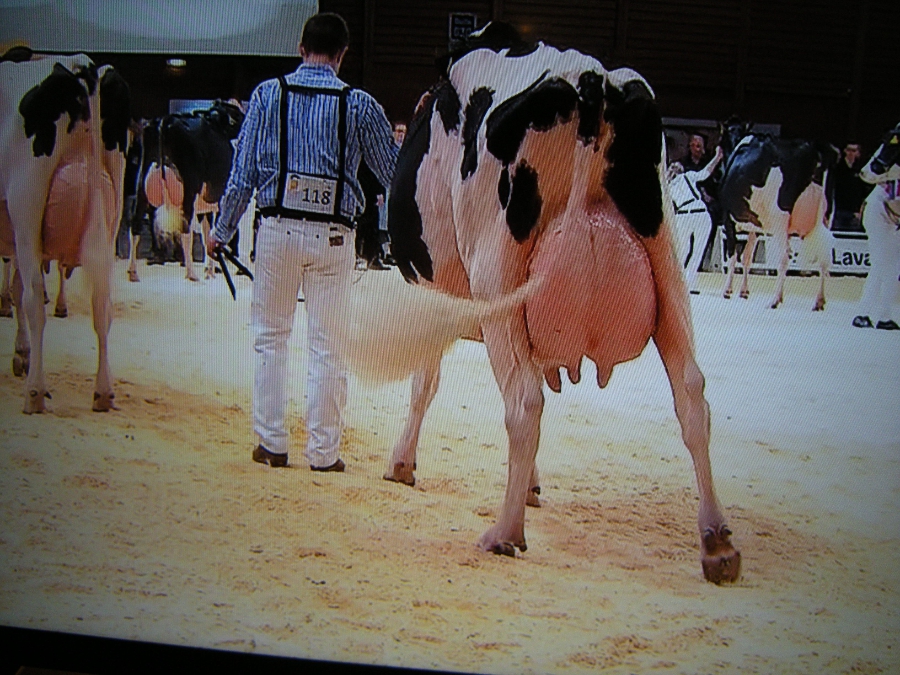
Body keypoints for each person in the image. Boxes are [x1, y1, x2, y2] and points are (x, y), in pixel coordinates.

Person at [208, 12, 398, 471]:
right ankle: (324, 453)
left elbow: (242, 175)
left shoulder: (267, 95)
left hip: (275, 230)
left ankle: (272, 445)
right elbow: (394, 173)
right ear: (342, 54)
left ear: (300, 47)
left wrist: (220, 233)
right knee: (329, 346)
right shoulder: (360, 105)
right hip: (335, 236)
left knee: (271, 339)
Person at [826, 142, 871, 233]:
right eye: (848, 150)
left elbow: (864, 191)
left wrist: (860, 210)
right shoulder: (837, 169)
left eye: (853, 151)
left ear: (858, 153)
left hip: (854, 212)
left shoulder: (861, 170)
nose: (850, 153)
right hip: (839, 211)